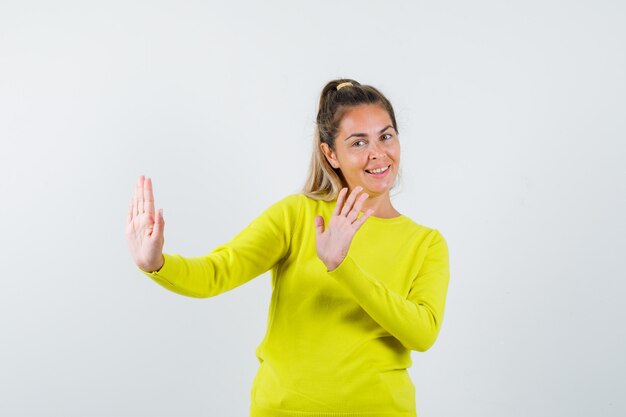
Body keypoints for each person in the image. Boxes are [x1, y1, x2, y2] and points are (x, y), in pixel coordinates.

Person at [126, 79, 450, 417]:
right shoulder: (296, 216)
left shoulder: (426, 243)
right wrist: (156, 263)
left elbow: (422, 333)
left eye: (386, 136)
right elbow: (218, 272)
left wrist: (343, 266)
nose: (377, 154)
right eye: (358, 142)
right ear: (331, 154)